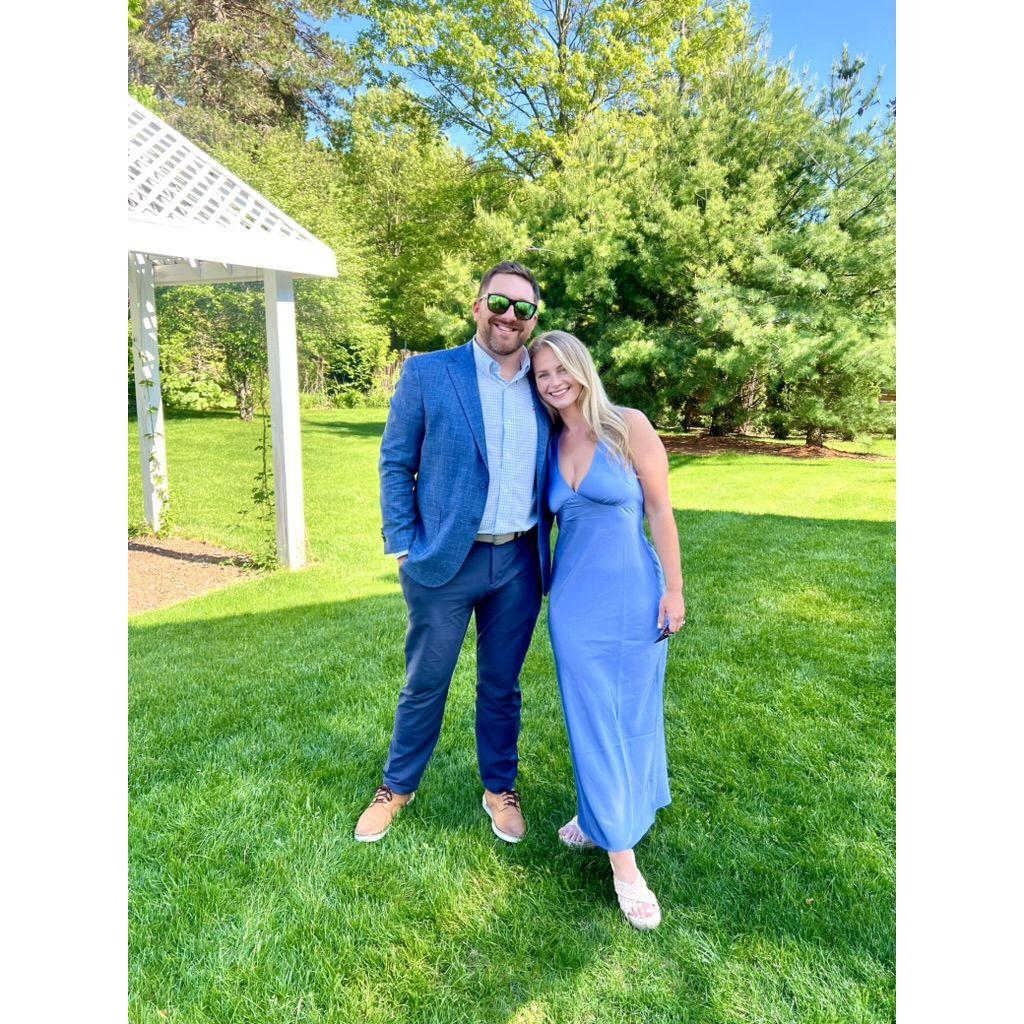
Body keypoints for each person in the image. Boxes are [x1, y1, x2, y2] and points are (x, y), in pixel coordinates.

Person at [355, 262, 553, 844]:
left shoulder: (546, 384)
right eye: (499, 303)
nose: (509, 317)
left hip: (519, 562)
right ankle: (397, 787)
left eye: (523, 308)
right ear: (477, 306)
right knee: (426, 681)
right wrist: (403, 547)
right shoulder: (429, 373)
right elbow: (396, 461)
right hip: (443, 560)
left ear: (534, 318)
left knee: (501, 686)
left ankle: (500, 789)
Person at [529, 330, 685, 931]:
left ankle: (601, 818)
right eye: (542, 374)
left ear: (581, 369)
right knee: (590, 718)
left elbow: (660, 509)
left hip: (633, 595)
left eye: (560, 369)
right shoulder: (548, 442)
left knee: (632, 713)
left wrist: (674, 589)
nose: (553, 382)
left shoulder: (628, 425)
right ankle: (624, 862)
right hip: (574, 606)